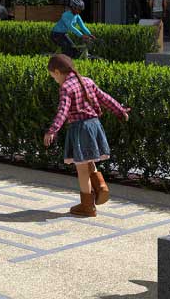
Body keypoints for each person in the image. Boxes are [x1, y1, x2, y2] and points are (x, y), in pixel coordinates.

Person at [44, 53, 130, 217]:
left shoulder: (66, 88)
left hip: (80, 128)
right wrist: (120, 110)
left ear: (57, 72)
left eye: (53, 77)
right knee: (89, 160)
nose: (54, 80)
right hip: (94, 125)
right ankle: (101, 186)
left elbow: (63, 111)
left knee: (82, 168)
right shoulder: (87, 81)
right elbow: (105, 98)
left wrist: (52, 130)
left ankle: (87, 206)